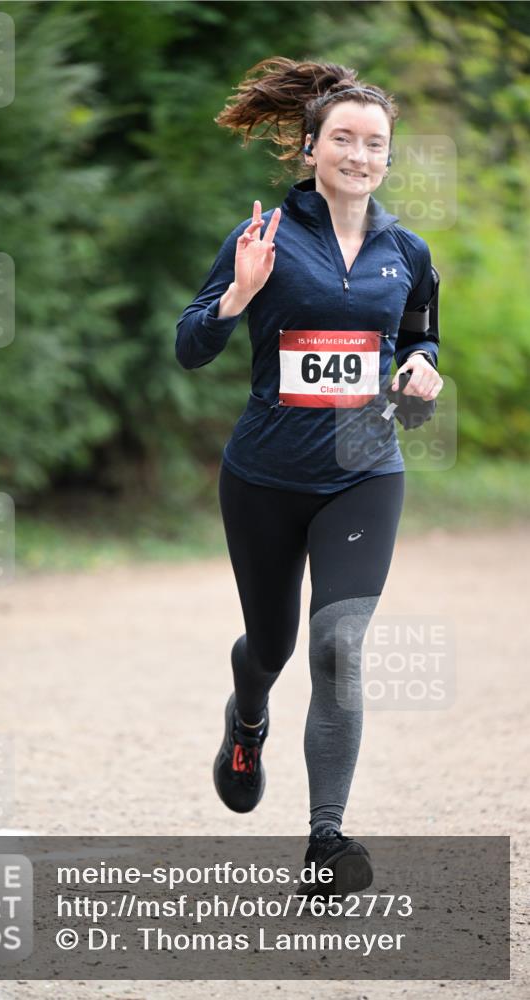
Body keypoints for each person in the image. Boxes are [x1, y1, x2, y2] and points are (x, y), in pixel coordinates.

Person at [175, 58, 443, 892]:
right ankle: (245, 716)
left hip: (364, 471)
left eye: (375, 143)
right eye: (343, 140)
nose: (359, 155)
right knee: (274, 644)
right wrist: (233, 297)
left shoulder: (407, 250)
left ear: (388, 158)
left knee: (337, 645)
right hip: (262, 474)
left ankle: (326, 842)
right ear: (310, 148)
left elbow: (418, 342)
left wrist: (421, 378)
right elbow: (189, 348)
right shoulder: (261, 237)